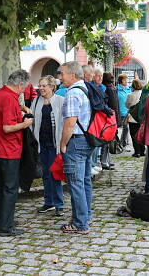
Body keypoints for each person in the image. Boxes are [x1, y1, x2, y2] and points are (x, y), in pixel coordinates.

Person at [0, 69, 33, 236]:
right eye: (24, 88)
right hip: (8, 149)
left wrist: (20, 107)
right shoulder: (9, 98)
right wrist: (25, 124)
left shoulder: (0, 93)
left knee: (0, 186)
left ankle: (2, 219)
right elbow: (7, 127)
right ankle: (6, 227)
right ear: (19, 84)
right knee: (10, 188)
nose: (23, 91)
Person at [59, 61, 92, 234]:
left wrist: (63, 144)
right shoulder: (86, 88)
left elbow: (70, 123)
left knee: (76, 184)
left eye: (62, 73)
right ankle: (86, 216)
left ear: (72, 75)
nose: (60, 77)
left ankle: (80, 223)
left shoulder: (72, 93)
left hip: (76, 142)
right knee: (85, 181)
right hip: (87, 140)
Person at [31, 75, 65, 217]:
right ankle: (48, 202)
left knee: (55, 174)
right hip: (41, 144)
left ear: (52, 86)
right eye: (40, 85)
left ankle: (59, 204)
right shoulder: (36, 100)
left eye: (44, 85)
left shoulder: (60, 101)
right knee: (45, 174)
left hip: (55, 144)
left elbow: (65, 122)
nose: (41, 88)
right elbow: (31, 119)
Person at [101, 72, 119, 170]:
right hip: (109, 117)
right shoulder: (109, 89)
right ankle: (105, 162)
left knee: (108, 140)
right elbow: (114, 106)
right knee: (106, 141)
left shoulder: (110, 88)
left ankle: (106, 161)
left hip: (110, 117)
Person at [126, 79, 145, 157]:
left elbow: (127, 105)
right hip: (141, 117)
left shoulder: (130, 95)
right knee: (141, 134)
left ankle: (137, 151)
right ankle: (142, 150)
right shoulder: (143, 94)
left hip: (133, 118)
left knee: (133, 135)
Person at [117, 74, 133, 149]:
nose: (127, 81)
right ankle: (122, 142)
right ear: (121, 81)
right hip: (121, 111)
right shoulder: (116, 89)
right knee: (125, 128)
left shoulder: (129, 89)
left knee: (126, 128)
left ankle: (124, 142)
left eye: (127, 79)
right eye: (125, 79)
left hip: (128, 112)